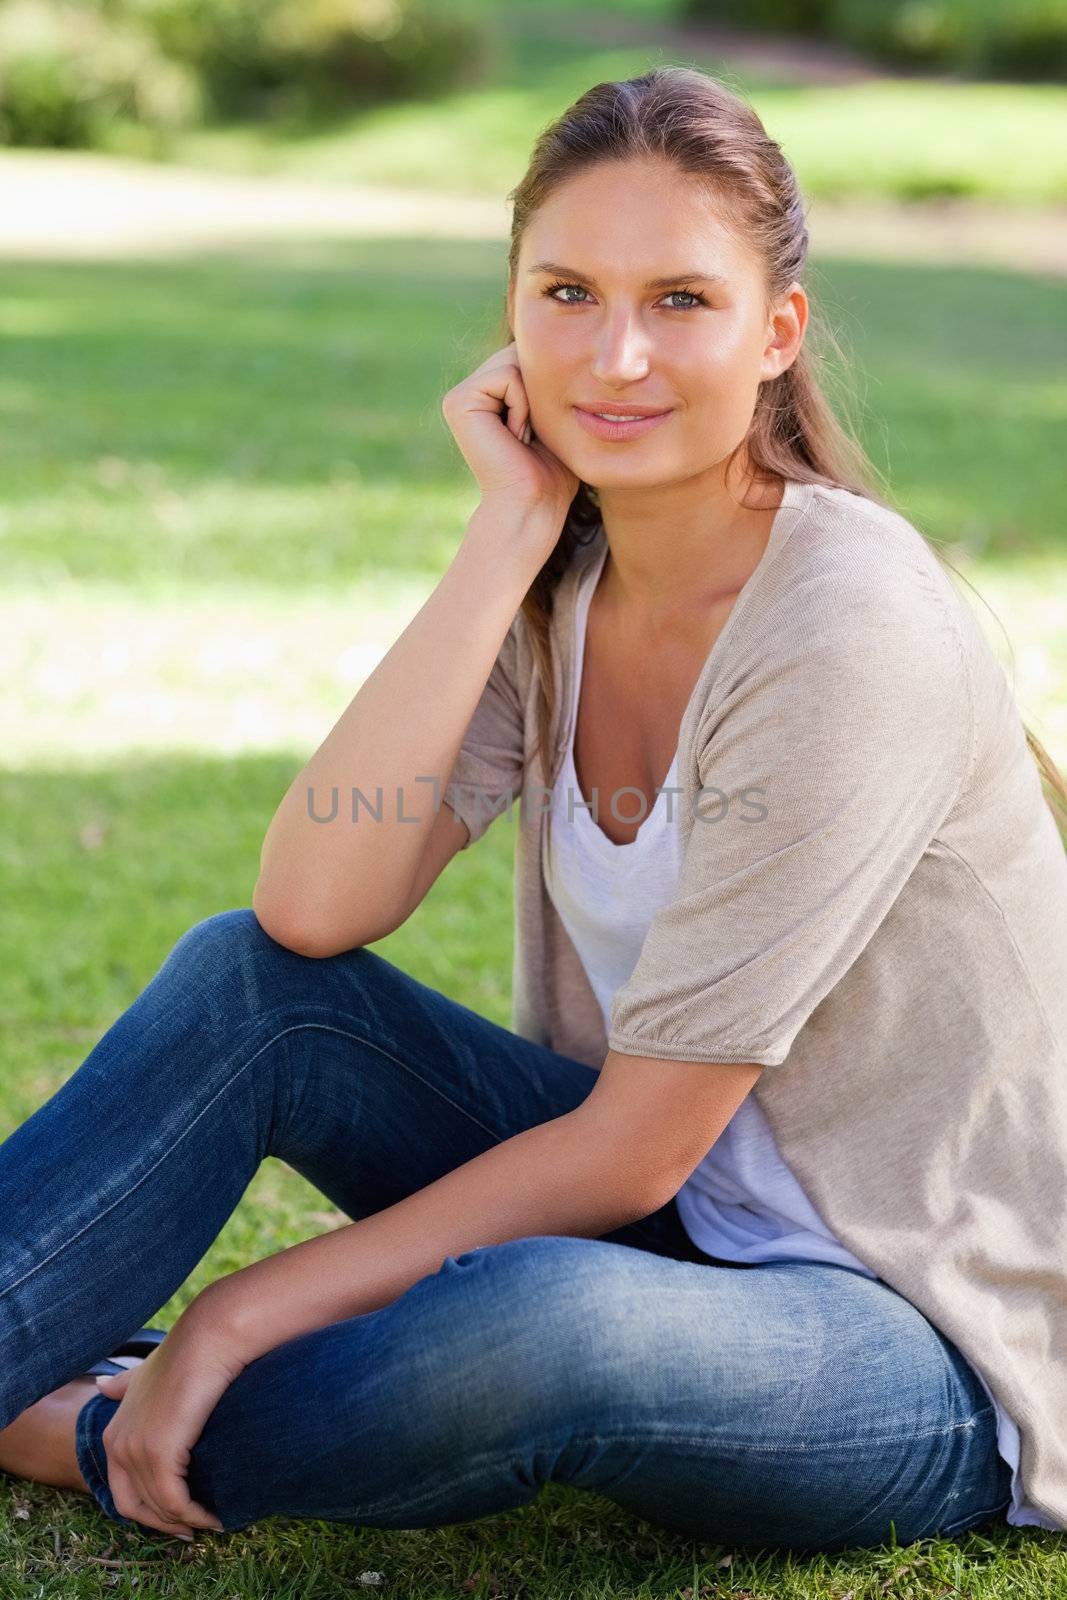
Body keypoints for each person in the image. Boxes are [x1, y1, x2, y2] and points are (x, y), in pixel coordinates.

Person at [2, 64, 1066, 1558]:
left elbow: (630, 1151)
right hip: (677, 1221)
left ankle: (105, 1429)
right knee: (252, 985)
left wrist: (249, 1304)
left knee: (535, 1322)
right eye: (567, 291)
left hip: (912, 1336)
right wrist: (504, 537)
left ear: (778, 334)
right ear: (511, 310)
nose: (616, 354)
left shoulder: (845, 625)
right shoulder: (565, 580)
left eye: (680, 300)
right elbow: (314, 908)